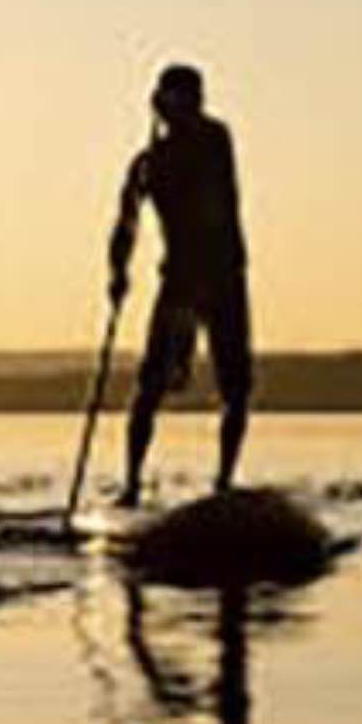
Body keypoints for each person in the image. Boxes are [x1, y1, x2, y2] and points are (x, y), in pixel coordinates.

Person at [108, 64, 251, 505]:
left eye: (189, 101)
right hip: (180, 280)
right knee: (151, 385)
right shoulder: (149, 163)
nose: (186, 111)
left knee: (237, 386)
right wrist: (118, 272)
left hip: (224, 277)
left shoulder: (214, 142)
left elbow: (212, 201)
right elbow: (125, 223)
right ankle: (131, 485)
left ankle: (224, 481)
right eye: (174, 102)